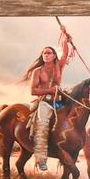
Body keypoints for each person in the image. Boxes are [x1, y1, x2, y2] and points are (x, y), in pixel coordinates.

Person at [22, 36, 74, 171]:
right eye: (44, 53)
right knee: (43, 125)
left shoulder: (59, 66)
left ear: (54, 56)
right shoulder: (37, 71)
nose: (46, 55)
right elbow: (33, 91)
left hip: (59, 102)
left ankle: (70, 150)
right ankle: (41, 159)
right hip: (44, 102)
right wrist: (50, 90)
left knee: (72, 120)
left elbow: (65, 53)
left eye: (48, 53)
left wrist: (65, 38)